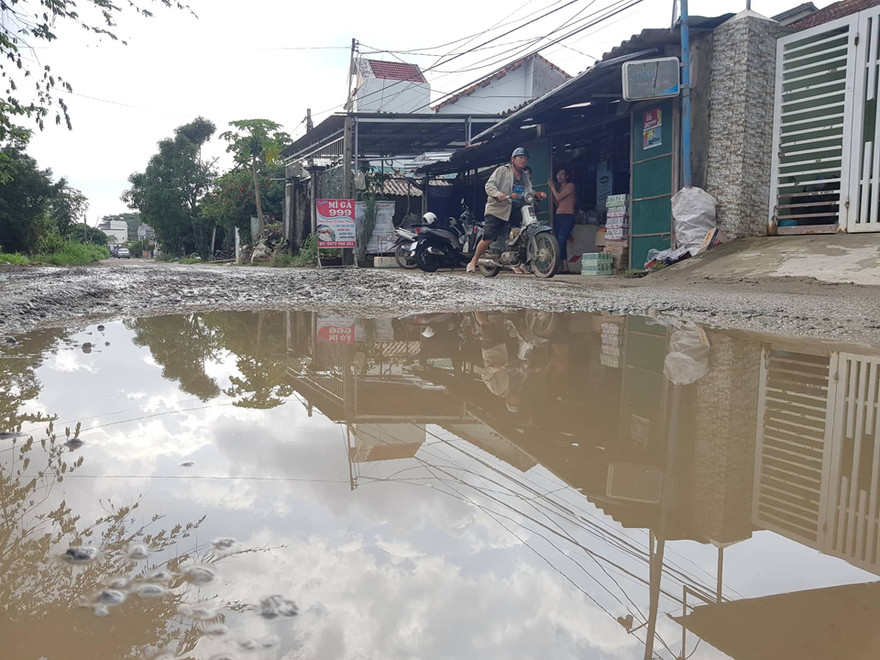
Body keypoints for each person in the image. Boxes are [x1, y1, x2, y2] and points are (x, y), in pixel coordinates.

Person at [467, 147, 533, 274]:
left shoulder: (525, 176)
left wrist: (536, 195)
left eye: (525, 158)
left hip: (514, 209)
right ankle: (474, 261)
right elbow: (489, 185)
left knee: (520, 234)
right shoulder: (502, 171)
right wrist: (498, 194)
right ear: (512, 159)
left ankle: (516, 261)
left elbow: (529, 191)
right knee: (488, 237)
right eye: (520, 157)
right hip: (497, 209)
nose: (523, 160)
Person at [548, 166, 576, 273]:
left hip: (567, 216)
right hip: (558, 216)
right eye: (558, 174)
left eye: (562, 174)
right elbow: (558, 202)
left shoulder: (570, 186)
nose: (559, 176)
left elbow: (559, 197)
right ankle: (565, 266)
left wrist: (552, 188)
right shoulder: (559, 188)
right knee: (560, 241)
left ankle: (553, 264)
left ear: (567, 176)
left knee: (560, 240)